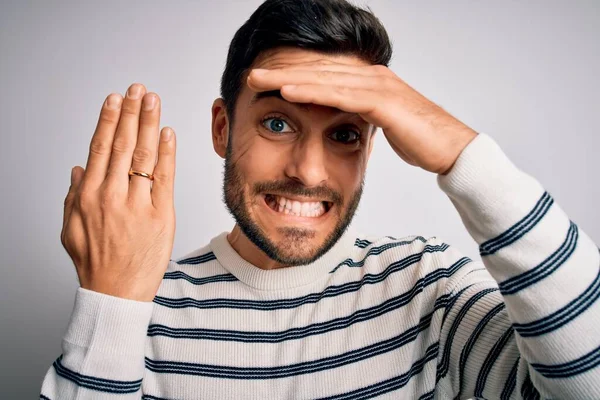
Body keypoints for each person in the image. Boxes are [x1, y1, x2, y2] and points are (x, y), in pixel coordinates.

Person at [40, 0, 600, 398]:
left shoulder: (428, 287)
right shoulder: (142, 308)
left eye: (345, 134)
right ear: (222, 128)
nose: (309, 172)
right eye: (278, 122)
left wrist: (463, 154)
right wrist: (111, 305)